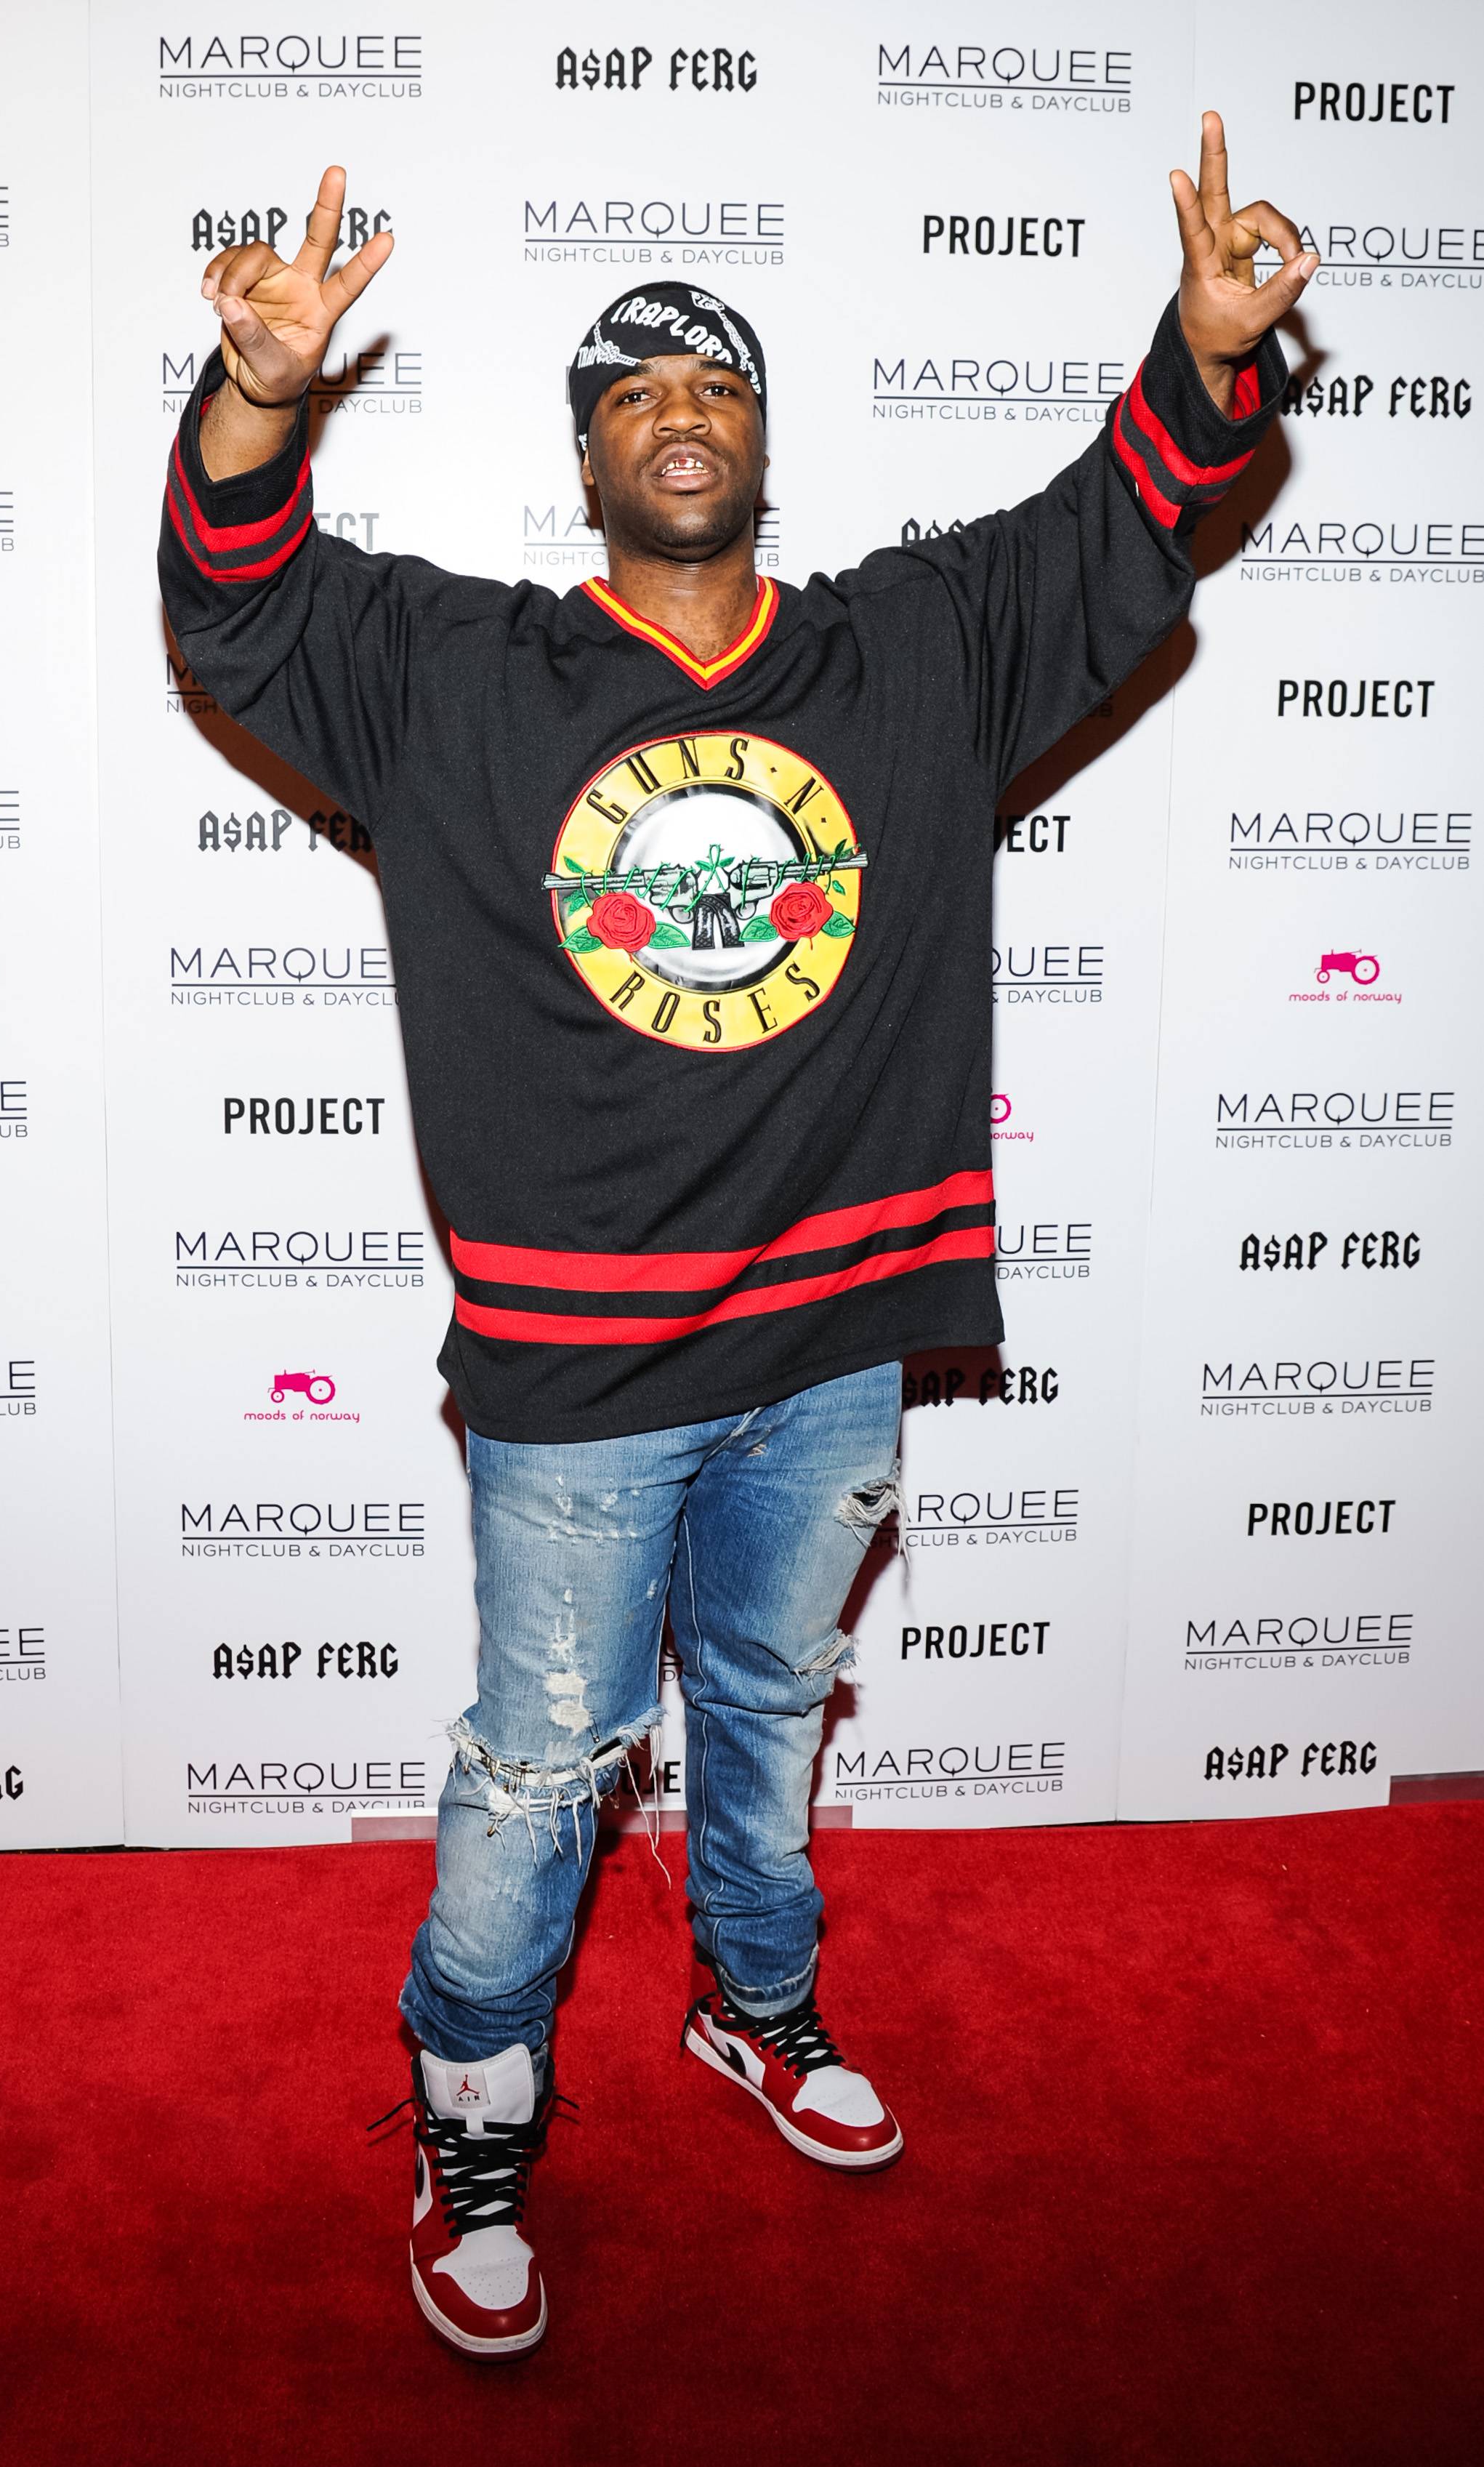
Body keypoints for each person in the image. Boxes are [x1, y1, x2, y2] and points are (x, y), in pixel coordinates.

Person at [159, 114, 1315, 2358]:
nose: (676, 413)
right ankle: (474, 2106)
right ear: (586, 450)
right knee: (540, 1765)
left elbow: (1123, 530)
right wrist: (260, 393)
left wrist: (1198, 353)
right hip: (581, 1373)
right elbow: (237, 597)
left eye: (713, 385)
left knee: (774, 1701)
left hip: (834, 1342)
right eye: (632, 390)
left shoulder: (912, 648)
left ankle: (751, 1999)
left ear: (761, 440)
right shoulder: (457, 667)